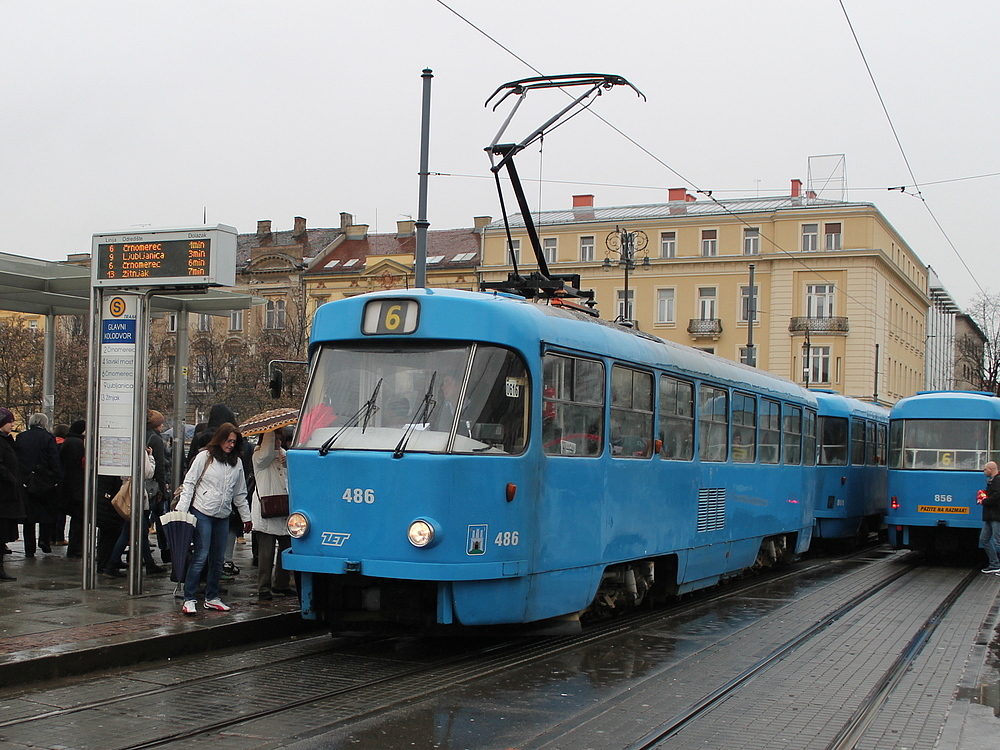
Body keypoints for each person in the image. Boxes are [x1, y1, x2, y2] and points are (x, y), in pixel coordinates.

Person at [175, 423, 252, 614]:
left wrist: (246, 518)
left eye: (234, 441)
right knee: (201, 556)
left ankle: (212, 597)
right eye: (228, 440)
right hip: (202, 511)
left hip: (222, 514)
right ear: (219, 439)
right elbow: (189, 483)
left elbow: (240, 493)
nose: (231, 444)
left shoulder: (236, 462)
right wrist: (182, 510)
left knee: (218, 560)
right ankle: (189, 597)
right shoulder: (205, 457)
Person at [251, 427, 292, 600]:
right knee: (266, 553)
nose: (277, 443)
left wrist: (288, 464)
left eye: (279, 439)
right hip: (266, 510)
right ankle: (264, 588)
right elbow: (266, 454)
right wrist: (271, 429)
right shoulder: (259, 456)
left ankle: (281, 584)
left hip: (283, 508)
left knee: (286, 548)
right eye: (274, 439)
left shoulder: (285, 455)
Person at [15, 413, 63, 557]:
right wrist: (57, 477)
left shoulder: (21, 437)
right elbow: (54, 459)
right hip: (45, 481)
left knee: (29, 517)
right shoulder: (48, 438)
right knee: (47, 513)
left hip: (26, 480)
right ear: (44, 423)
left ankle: (29, 548)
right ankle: (44, 540)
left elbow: (18, 458)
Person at [0, 408, 27, 581]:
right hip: (4, 495)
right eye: (10, 421)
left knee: (3, 532)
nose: (12, 424)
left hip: (7, 494)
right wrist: (11, 478)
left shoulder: (6, 440)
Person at [59, 420, 86, 559]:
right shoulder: (77, 443)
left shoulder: (69, 441)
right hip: (77, 486)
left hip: (69, 485)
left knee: (77, 519)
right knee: (79, 519)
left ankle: (75, 548)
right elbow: (80, 464)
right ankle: (76, 548)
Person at [978, 461, 1000, 574]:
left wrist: (984, 501)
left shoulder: (998, 481)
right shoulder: (992, 481)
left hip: (996, 516)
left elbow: (997, 497)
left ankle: (995, 565)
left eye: (985, 469)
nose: (984, 472)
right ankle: (994, 565)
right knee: (984, 539)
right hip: (990, 516)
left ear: (991, 469)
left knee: (998, 541)